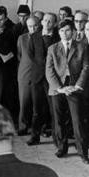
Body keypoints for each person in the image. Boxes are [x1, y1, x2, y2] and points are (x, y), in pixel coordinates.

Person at [46, 19, 89, 163]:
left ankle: (83, 152)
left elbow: (86, 67)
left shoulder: (82, 47)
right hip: (58, 88)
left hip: (75, 87)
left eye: (67, 30)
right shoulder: (52, 48)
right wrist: (60, 88)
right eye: (61, 31)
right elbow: (49, 70)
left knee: (78, 120)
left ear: (72, 31)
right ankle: (61, 148)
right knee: (59, 120)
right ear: (58, 32)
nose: (64, 34)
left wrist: (77, 86)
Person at [27, 12, 59, 145]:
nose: (46, 23)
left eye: (50, 21)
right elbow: (31, 54)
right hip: (37, 78)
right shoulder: (34, 36)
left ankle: (57, 139)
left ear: (55, 23)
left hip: (53, 79)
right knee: (36, 110)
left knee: (54, 110)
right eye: (45, 20)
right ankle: (35, 136)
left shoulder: (58, 37)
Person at [16, 15, 39, 134]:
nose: (33, 28)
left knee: (38, 104)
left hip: (39, 74)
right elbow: (19, 55)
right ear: (27, 26)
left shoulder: (42, 37)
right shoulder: (22, 38)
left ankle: (37, 128)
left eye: (35, 25)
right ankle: (23, 126)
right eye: (30, 26)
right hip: (25, 73)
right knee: (24, 102)